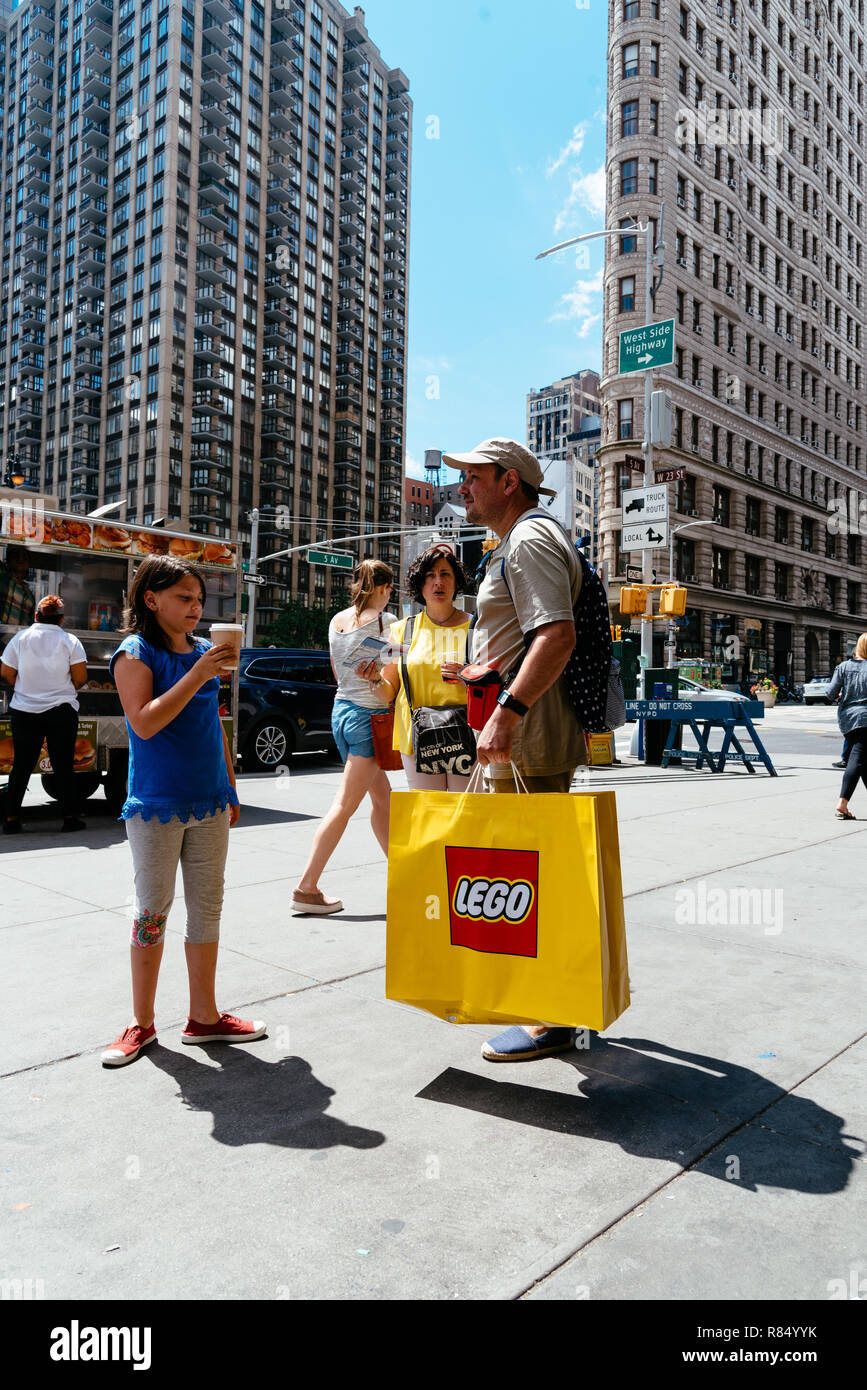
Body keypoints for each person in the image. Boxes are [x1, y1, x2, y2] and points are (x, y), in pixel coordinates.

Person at [444, 437, 587, 1063]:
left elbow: (556, 635)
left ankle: (554, 1018)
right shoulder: (519, 541)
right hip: (523, 728)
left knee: (535, 879)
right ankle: (558, 1008)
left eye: (473, 477)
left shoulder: (529, 540)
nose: (461, 488)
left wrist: (507, 714)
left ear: (509, 482)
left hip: (528, 735)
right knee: (533, 874)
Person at [102, 556, 265, 1067]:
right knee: (151, 912)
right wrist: (197, 673)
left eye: (199, 599)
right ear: (151, 600)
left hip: (210, 802)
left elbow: (213, 723)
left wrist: (231, 786)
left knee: (207, 908)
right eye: (184, 598)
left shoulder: (203, 652)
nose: (196, 608)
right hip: (156, 806)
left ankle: (204, 1017)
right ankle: (142, 1024)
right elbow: (145, 724)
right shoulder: (136, 653)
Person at [292, 558, 397, 917]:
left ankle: (404, 875)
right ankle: (307, 887)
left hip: (341, 713)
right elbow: (390, 685)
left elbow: (338, 672)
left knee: (383, 801)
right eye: (389, 591)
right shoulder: (389, 624)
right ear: (384, 588)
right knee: (344, 805)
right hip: (370, 718)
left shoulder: (337, 621)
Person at [368, 544, 474, 791]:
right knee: (429, 816)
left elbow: (493, 685)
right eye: (430, 575)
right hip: (418, 737)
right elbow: (387, 692)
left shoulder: (476, 627)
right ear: (420, 584)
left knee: (465, 816)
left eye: (445, 574)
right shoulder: (401, 631)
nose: (438, 582)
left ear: (456, 582)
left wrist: (468, 676)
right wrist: (373, 679)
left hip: (467, 735)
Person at [1, 594, 87, 834]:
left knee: (21, 766)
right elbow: (80, 678)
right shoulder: (70, 640)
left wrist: (27, 687)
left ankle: (11, 820)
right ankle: (70, 818)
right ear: (61, 619)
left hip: (24, 711)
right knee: (63, 766)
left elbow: (7, 672)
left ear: (36, 615)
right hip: (61, 711)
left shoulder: (21, 638)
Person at [828, 633, 867, 820]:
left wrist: (842, 694)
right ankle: (842, 803)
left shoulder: (843, 667)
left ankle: (843, 803)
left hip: (848, 719)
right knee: (858, 758)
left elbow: (829, 693)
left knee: (863, 760)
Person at [0, 545, 36, 649]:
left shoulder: (28, 593)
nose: (20, 559)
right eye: (16, 556)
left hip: (19, 645)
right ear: (8, 561)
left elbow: (30, 622)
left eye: (25, 557)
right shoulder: (3, 579)